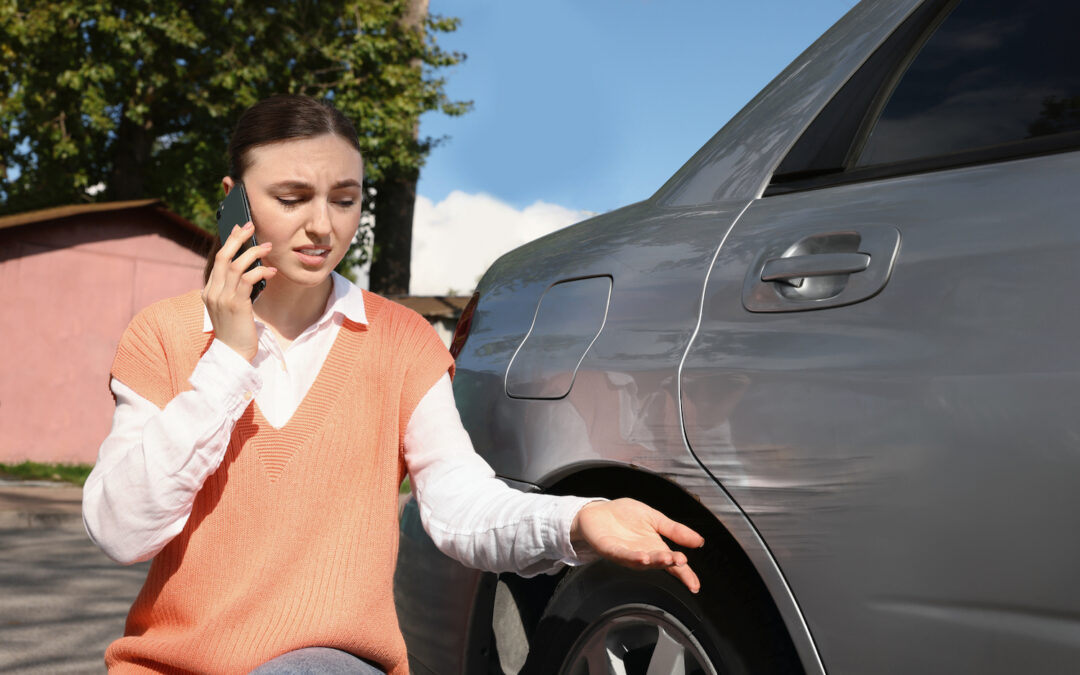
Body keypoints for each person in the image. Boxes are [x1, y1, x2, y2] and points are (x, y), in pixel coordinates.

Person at [83, 94, 705, 675]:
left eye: (345, 199)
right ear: (234, 201)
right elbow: (122, 532)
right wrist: (227, 359)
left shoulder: (400, 340)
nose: (323, 226)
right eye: (292, 197)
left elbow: (460, 506)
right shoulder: (163, 334)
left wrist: (578, 519)